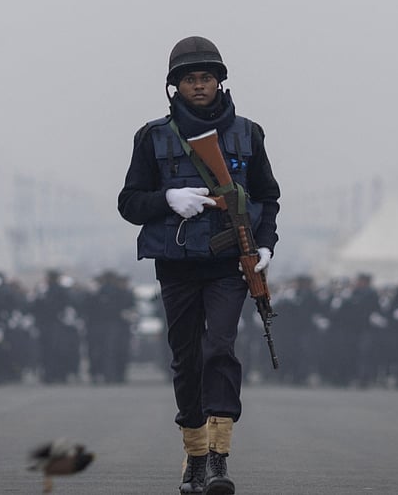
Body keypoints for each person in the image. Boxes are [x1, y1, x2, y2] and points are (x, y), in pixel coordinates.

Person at [118, 36, 281, 495]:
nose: (199, 86)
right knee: (186, 360)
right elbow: (129, 202)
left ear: (219, 81)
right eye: (190, 79)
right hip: (177, 264)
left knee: (220, 349)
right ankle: (193, 454)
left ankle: (218, 456)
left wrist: (265, 244)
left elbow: (268, 197)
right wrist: (168, 198)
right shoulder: (153, 137)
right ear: (175, 86)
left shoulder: (248, 133)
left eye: (206, 77)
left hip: (229, 263)